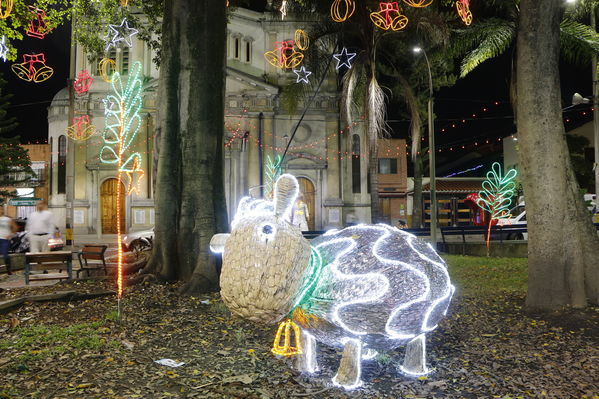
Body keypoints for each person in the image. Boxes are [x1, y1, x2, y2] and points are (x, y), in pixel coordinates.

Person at [0, 207, 15, 274]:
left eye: (0, 209)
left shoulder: (7, 219)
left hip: (4, 239)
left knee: (5, 255)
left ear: (3, 210)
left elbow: (15, 227)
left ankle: (8, 268)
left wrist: (10, 235)